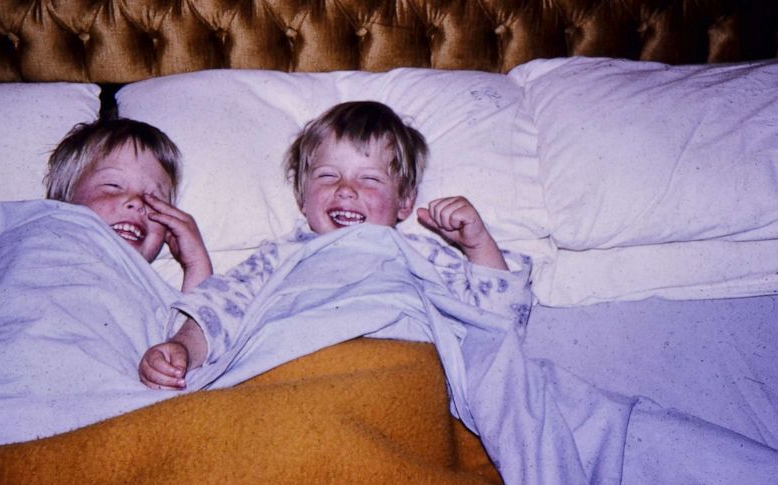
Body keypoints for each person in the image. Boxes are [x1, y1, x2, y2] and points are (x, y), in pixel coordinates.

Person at [138, 100, 532, 389]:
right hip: (297, 373)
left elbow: (499, 329)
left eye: (370, 180)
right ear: (301, 197)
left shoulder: (422, 253)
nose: (346, 190)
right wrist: (182, 349)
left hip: (401, 372)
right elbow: (218, 310)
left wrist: (478, 245)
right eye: (328, 176)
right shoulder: (278, 256)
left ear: (405, 202)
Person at [45, 112, 212, 292]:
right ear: (63, 201)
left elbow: (198, 319)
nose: (137, 202)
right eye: (113, 185)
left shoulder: (157, 296)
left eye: (153, 198)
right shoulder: (33, 240)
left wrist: (197, 265)